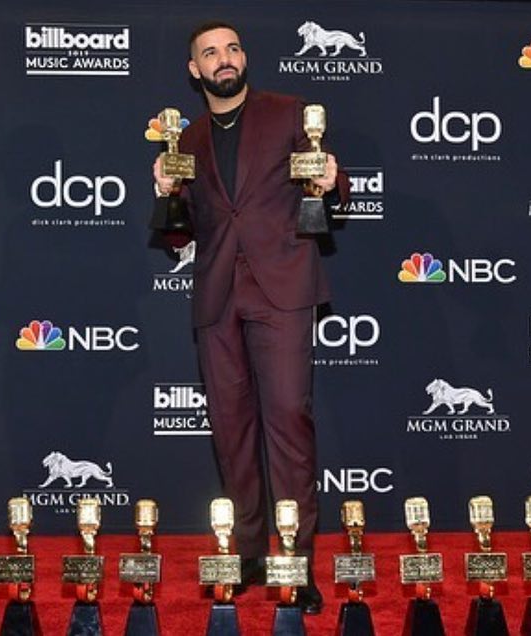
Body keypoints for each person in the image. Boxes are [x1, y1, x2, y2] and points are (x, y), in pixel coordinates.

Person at [152, 21, 350, 614]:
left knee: (289, 423)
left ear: (244, 59)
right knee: (232, 434)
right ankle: (244, 555)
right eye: (210, 53)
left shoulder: (289, 113)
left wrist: (334, 182)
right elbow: (178, 233)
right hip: (217, 298)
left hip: (282, 290)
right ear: (195, 71)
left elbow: (327, 197)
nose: (224, 59)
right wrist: (165, 194)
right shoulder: (185, 143)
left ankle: (296, 562)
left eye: (232, 48)